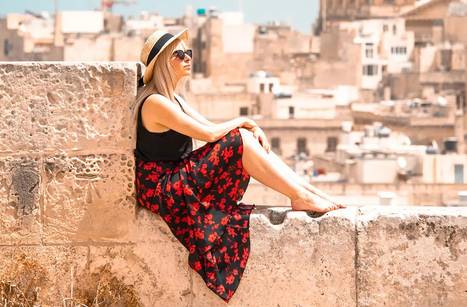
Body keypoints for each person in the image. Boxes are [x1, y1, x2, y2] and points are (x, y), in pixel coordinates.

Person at [133, 28, 345, 302]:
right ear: (163, 62)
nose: (188, 58)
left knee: (245, 139)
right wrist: (246, 122)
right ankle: (300, 195)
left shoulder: (174, 100)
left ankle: (307, 192)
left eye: (189, 52)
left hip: (177, 178)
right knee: (242, 138)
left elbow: (209, 127)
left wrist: (247, 126)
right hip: (164, 188)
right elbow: (210, 135)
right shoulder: (155, 102)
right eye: (179, 54)